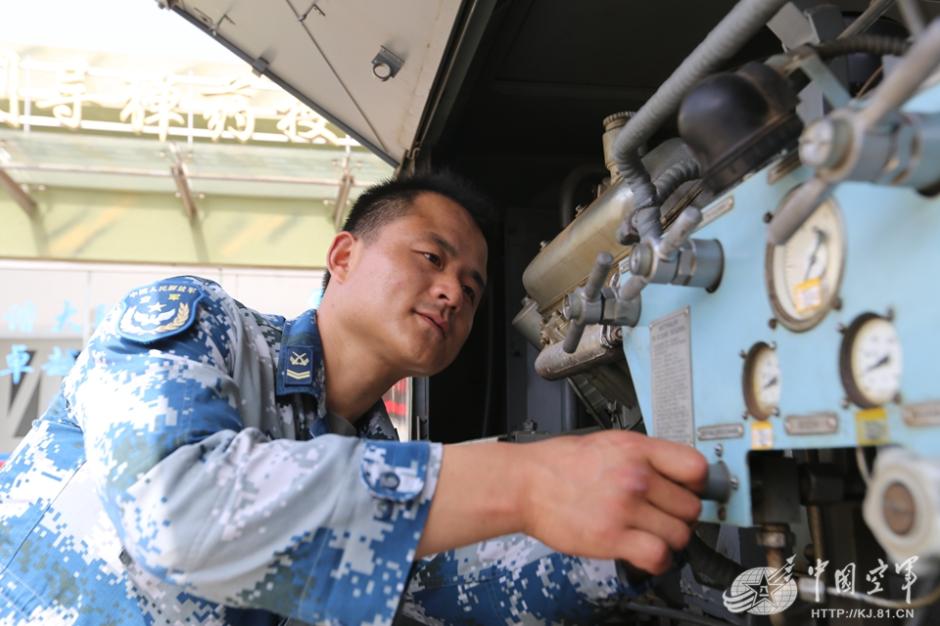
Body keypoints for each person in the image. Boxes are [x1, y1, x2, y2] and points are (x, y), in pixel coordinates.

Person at [0, 172, 707, 625]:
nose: (453, 291)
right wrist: (526, 480)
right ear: (343, 257)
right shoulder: (201, 326)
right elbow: (180, 511)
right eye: (431, 258)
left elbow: (435, 588)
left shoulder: (375, 453)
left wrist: (629, 545)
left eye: (472, 288)